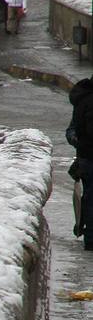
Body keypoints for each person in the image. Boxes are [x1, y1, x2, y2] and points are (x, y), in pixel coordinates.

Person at [69, 76, 93, 249]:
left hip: (86, 157)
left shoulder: (82, 99)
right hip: (89, 157)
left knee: (90, 198)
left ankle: (89, 236)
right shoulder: (88, 101)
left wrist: (78, 142)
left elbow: (72, 130)